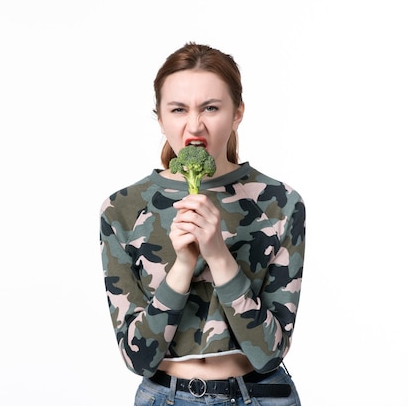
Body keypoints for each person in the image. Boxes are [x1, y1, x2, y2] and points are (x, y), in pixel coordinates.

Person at [99, 42, 305, 405]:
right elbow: (138, 358)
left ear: (237, 112)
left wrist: (218, 254)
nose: (195, 125)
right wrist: (183, 265)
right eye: (178, 109)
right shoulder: (122, 209)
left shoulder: (282, 203)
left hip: (261, 396)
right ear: (160, 117)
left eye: (211, 107)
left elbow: (269, 353)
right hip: (165, 397)